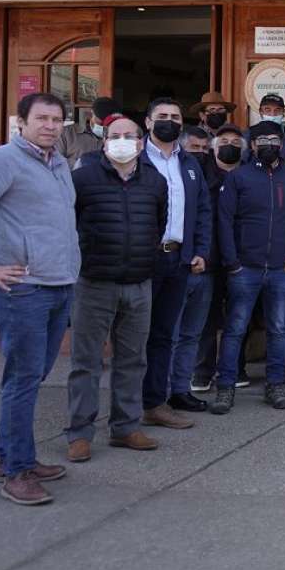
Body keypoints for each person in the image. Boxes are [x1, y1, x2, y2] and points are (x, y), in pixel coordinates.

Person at [0, 92, 80, 506]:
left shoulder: (58, 163)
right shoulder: (4, 160)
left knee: (31, 376)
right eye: (41, 118)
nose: (50, 126)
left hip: (58, 284)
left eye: (57, 120)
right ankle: (17, 472)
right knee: (23, 379)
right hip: (23, 289)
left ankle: (8, 457)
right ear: (21, 122)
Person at [66, 115, 167, 460]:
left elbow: (158, 223)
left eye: (129, 136)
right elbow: (69, 224)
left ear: (141, 143)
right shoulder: (82, 179)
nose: (122, 141)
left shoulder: (154, 181)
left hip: (139, 284)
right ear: (105, 142)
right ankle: (79, 433)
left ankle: (126, 427)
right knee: (86, 362)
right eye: (115, 136)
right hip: (94, 282)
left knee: (133, 360)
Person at [210, 121, 285, 414]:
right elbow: (225, 221)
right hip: (244, 269)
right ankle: (226, 387)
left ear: (282, 144)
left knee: (279, 329)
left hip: (283, 268)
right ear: (252, 145)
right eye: (262, 139)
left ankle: (276, 384)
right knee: (235, 329)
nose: (269, 143)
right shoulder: (239, 178)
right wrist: (232, 262)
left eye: (274, 138)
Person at [141, 97, 212, 432]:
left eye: (175, 116)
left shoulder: (189, 164)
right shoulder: (135, 159)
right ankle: (128, 405)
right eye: (162, 116)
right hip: (143, 259)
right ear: (147, 122)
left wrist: (200, 249)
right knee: (135, 335)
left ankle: (156, 403)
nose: (169, 121)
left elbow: (202, 211)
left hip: (179, 258)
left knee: (164, 334)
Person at [190, 125, 248, 392]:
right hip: (209, 257)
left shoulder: (250, 175)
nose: (230, 145)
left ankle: (235, 368)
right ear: (213, 147)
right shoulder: (202, 174)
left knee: (239, 316)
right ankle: (203, 370)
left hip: (242, 257)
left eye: (236, 141)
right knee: (206, 317)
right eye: (224, 140)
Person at [60, 96, 119, 168]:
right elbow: (54, 160)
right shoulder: (67, 133)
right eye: (100, 123)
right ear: (91, 113)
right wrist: (81, 164)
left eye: (107, 124)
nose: (103, 126)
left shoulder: (118, 137)